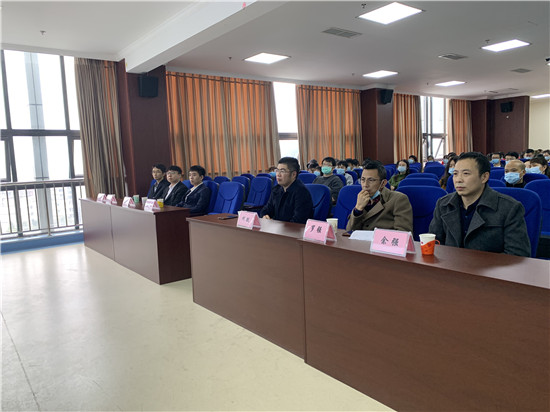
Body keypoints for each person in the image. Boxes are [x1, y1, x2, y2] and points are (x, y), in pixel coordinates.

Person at [429, 152, 530, 256]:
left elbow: (517, 254)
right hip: (451, 264)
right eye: (455, 174)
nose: (458, 179)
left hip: (490, 266)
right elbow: (435, 243)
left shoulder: (509, 208)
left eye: (466, 173)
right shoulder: (443, 204)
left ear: (484, 177)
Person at [346, 160, 413, 232]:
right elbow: (349, 230)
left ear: (383, 183)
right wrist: (358, 209)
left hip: (384, 239)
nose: (365, 185)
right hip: (360, 239)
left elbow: (404, 233)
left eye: (371, 180)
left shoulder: (398, 199)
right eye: (363, 180)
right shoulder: (362, 198)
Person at [260, 157, 313, 223]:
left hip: (294, 229)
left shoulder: (302, 192)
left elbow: (298, 221)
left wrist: (276, 225)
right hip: (277, 227)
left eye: (282, 171)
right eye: (277, 170)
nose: (278, 174)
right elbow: (266, 209)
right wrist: (265, 216)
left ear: (293, 174)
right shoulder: (276, 189)